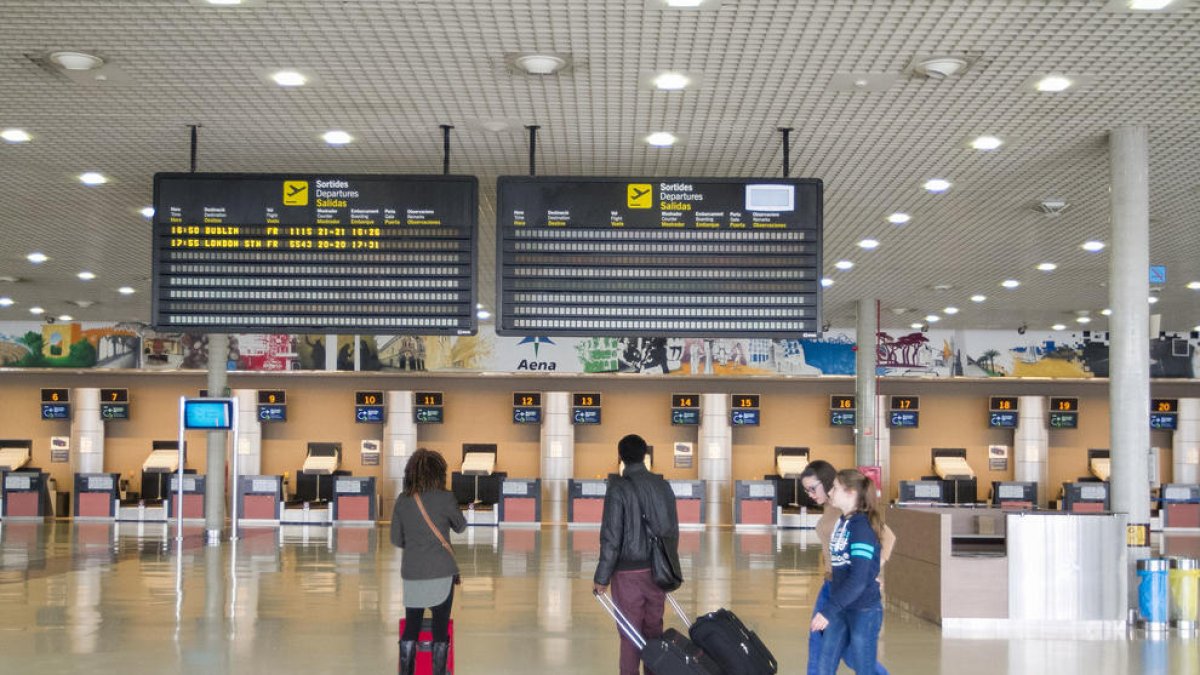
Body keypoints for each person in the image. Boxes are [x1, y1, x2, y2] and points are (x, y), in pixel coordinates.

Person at [593, 434, 680, 675]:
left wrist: (602, 578)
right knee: (654, 629)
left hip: (628, 572)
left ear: (620, 457)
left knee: (630, 633)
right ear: (645, 456)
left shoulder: (618, 488)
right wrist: (669, 564)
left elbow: (611, 536)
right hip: (658, 570)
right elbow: (672, 529)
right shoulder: (662, 485)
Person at [800, 460, 894, 675]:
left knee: (851, 655)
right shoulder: (837, 514)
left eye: (813, 488)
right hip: (834, 585)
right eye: (806, 490)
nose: (810, 494)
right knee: (828, 649)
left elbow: (886, 537)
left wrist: (871, 572)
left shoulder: (852, 516)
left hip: (850, 591)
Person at [391, 448, 467, 675]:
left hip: (413, 573)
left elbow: (396, 538)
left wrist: (417, 546)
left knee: (412, 627)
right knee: (440, 628)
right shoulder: (446, 498)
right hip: (442, 573)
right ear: (439, 473)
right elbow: (461, 527)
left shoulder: (403, 501)